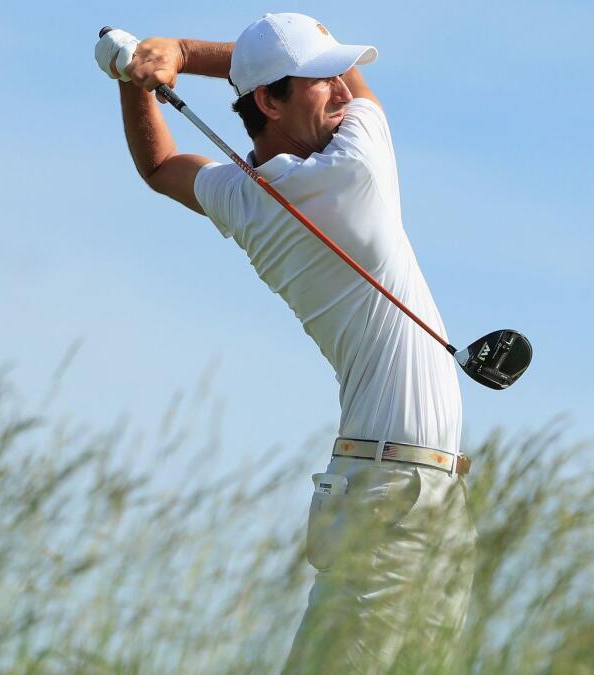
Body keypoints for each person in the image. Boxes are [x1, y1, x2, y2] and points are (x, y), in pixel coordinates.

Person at [95, 13, 475, 674]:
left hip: (414, 491)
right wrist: (181, 52)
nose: (342, 90)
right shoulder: (358, 167)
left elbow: (158, 166)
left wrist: (137, 77)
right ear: (270, 101)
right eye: (318, 81)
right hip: (393, 494)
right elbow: (359, 90)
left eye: (334, 74)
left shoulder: (245, 200)